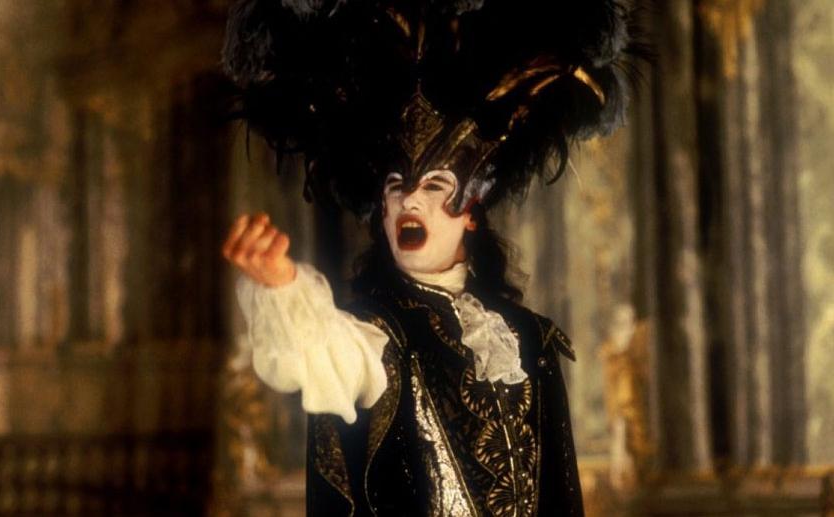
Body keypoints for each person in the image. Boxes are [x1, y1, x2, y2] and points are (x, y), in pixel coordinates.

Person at [220, 1, 643, 514]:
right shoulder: (375, 335)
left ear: (471, 213)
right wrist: (282, 284)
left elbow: (561, 496)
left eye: (435, 185)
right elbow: (324, 353)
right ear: (381, 213)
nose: (410, 202)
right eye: (396, 187)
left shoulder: (531, 339)